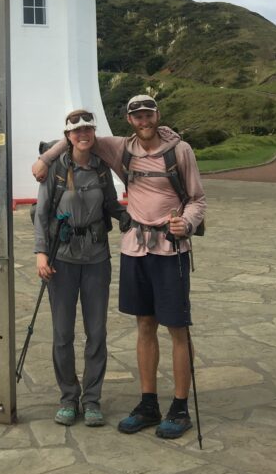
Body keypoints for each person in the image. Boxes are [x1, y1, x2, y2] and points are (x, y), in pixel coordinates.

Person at [32, 94, 206, 440]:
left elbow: (197, 198)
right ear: (129, 120)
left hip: (170, 249)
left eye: (148, 114)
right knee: (144, 325)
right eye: (137, 116)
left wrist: (185, 223)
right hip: (135, 250)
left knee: (176, 328)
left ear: (157, 115)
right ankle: (148, 403)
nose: (144, 120)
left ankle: (180, 407)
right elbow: (78, 143)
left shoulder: (180, 150)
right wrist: (44, 160)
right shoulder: (119, 148)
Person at [34, 109, 126, 428]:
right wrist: (41, 254)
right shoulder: (56, 170)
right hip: (62, 260)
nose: (83, 134)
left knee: (96, 332)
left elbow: (112, 205)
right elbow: (42, 214)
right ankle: (68, 398)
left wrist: (134, 218)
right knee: (62, 334)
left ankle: (92, 399)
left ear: (93, 132)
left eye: (88, 128)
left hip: (97, 259)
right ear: (68, 136)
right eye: (77, 131)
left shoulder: (102, 169)